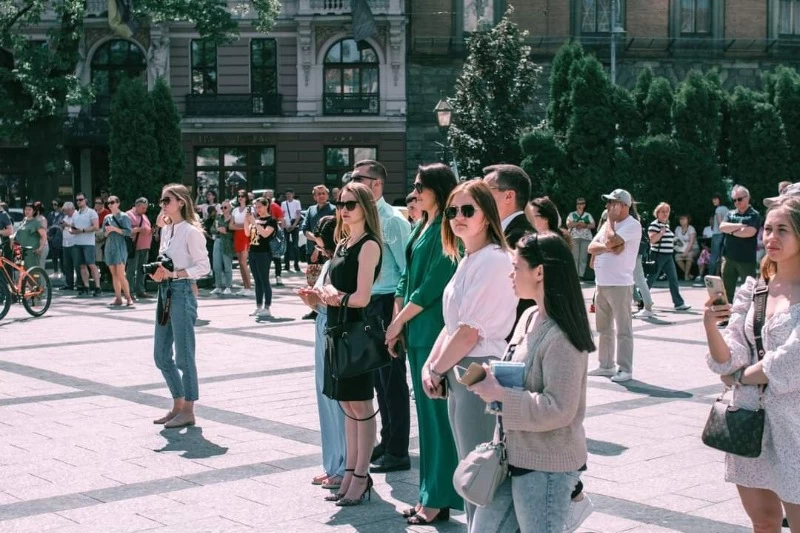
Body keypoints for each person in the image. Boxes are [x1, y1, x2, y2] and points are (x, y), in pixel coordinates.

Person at [469, 232, 595, 533]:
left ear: (539, 272)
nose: (510, 274)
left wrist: (500, 394)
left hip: (547, 466)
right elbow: (523, 376)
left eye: (516, 267)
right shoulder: (528, 316)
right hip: (511, 456)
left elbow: (560, 408)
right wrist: (494, 377)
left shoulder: (563, 336)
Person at [423, 180, 517, 528]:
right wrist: (432, 365)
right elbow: (452, 325)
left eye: (467, 210)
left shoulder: (493, 259)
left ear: (487, 215)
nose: (457, 217)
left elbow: (469, 332)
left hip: (479, 368)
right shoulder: (469, 258)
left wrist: (436, 369)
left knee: (480, 473)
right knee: (470, 468)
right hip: (461, 368)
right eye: (452, 211)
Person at [703, 195, 800, 533]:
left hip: (794, 423)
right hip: (749, 420)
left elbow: (792, 359)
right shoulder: (755, 289)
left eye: (782, 230)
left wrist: (740, 377)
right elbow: (731, 355)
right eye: (768, 229)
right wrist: (709, 326)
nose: (771, 237)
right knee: (763, 522)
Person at [385, 163, 462, 525]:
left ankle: (438, 498)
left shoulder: (448, 227)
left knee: (436, 419)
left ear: (438, 189)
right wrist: (397, 319)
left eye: (420, 187)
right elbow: (406, 278)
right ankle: (428, 495)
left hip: (432, 330)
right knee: (427, 421)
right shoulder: (422, 225)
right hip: (415, 330)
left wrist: (398, 321)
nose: (414, 193)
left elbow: (432, 285)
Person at [319, 182, 383, 507]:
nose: (343, 210)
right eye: (340, 204)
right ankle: (349, 472)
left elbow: (362, 297)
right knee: (347, 405)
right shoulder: (344, 242)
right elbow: (335, 285)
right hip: (336, 329)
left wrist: (337, 297)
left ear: (365, 207)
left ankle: (360, 475)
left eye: (350, 204)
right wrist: (326, 292)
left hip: (355, 333)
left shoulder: (369, 244)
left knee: (361, 406)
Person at [348, 160, 412, 475]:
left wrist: (397, 317)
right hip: (368, 303)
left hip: (387, 302)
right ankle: (387, 441)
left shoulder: (393, 221)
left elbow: (407, 272)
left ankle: (398, 449)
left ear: (376, 184)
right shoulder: (362, 217)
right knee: (378, 381)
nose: (351, 182)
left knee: (393, 381)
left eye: (357, 178)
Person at [150, 184, 211, 429]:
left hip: (182, 291)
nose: (162, 204)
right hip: (165, 291)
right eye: (161, 200)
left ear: (181, 202)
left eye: (167, 200)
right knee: (161, 355)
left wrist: (175, 274)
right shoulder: (167, 229)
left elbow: (204, 267)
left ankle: (188, 410)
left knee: (184, 357)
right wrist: (159, 272)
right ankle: (177, 405)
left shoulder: (191, 232)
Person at [297, 215, 346, 492]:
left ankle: (344, 465)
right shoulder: (329, 262)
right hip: (323, 325)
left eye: (321, 243)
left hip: (335, 329)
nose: (320, 249)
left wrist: (319, 301)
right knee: (325, 395)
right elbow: (322, 302)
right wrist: (312, 301)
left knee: (338, 400)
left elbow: (342, 300)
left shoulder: (343, 261)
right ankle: (332, 463)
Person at [587, 189, 642, 383]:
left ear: (624, 206)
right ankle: (606, 365)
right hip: (602, 283)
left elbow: (612, 241)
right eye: (609, 203)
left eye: (613, 203)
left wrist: (609, 223)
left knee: (623, 330)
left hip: (620, 284)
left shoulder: (632, 225)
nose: (609, 206)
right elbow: (591, 247)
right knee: (604, 328)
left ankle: (625, 368)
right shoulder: (609, 225)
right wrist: (608, 247)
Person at [482, 164, 535, 332]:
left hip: (511, 333)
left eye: (486, 191)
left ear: (509, 196)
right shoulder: (503, 233)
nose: (479, 197)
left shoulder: (522, 239)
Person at [720, 185, 762, 305]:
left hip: (746, 260)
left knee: (749, 292)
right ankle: (726, 314)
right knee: (726, 291)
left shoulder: (754, 215)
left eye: (739, 199)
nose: (736, 202)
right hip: (729, 258)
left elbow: (749, 232)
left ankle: (748, 314)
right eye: (734, 200)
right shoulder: (730, 213)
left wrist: (731, 230)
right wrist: (739, 226)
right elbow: (722, 227)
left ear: (747, 198)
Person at [646, 203, 691, 312]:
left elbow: (668, 240)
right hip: (658, 255)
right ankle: (640, 298)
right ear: (657, 213)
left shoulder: (666, 225)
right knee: (651, 279)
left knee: (673, 279)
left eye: (667, 212)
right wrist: (661, 233)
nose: (665, 214)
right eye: (663, 211)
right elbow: (652, 240)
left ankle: (679, 303)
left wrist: (676, 242)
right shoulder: (654, 225)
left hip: (668, 255)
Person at [301, 185, 337, 320]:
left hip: (327, 250)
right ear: (314, 196)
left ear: (327, 195)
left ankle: (325, 306)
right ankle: (314, 307)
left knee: (326, 279)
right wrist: (316, 239)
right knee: (312, 279)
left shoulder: (333, 209)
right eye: (318, 194)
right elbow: (305, 229)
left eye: (323, 193)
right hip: (310, 249)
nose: (321, 196)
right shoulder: (311, 209)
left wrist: (319, 246)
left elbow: (333, 231)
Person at [244, 198, 278, 319]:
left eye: (260, 207)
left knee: (264, 280)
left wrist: (254, 222)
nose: (258, 209)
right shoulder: (256, 219)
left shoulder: (271, 220)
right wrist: (246, 220)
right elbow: (247, 233)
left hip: (264, 253)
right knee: (257, 281)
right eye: (256, 207)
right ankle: (258, 306)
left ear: (266, 206)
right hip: (253, 251)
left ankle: (267, 307)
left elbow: (265, 234)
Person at [102, 195, 134, 307]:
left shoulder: (124, 216)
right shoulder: (107, 217)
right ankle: (118, 298)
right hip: (109, 246)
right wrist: (107, 231)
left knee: (121, 274)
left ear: (118, 203)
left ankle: (128, 297)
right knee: (114, 275)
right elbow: (103, 234)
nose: (110, 205)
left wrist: (114, 229)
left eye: (112, 202)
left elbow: (128, 232)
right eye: (108, 203)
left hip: (120, 246)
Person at [71, 193, 102, 297]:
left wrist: (83, 230)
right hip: (77, 242)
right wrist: (72, 231)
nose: (78, 202)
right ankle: (86, 286)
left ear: (85, 200)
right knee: (82, 266)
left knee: (92, 265)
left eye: (80, 199)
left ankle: (98, 287)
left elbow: (96, 227)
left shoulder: (91, 212)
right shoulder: (75, 214)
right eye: (77, 200)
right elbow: (72, 226)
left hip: (88, 243)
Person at [126, 198, 153, 299]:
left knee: (142, 269)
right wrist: (139, 230)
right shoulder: (128, 215)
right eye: (143, 208)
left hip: (145, 246)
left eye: (146, 208)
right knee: (131, 270)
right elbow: (126, 230)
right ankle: (129, 291)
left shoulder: (144, 216)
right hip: (135, 247)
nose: (145, 210)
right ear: (136, 206)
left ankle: (140, 291)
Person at [230, 189, 254, 297]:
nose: (240, 198)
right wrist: (242, 226)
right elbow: (231, 226)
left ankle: (249, 287)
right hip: (237, 236)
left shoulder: (249, 209)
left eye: (242, 196)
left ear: (246, 198)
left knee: (244, 262)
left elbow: (250, 224)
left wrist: (239, 226)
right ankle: (245, 287)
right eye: (239, 196)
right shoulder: (235, 210)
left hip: (246, 236)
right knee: (240, 263)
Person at [567, 197, 596, 279]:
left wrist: (585, 225)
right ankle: (575, 275)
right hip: (574, 237)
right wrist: (578, 224)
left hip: (585, 238)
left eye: (582, 203)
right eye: (578, 204)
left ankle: (581, 275)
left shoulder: (588, 215)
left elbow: (593, 225)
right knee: (575, 257)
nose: (580, 205)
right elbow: (568, 224)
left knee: (583, 258)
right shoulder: (571, 214)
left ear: (584, 205)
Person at [261, 189, 286, 286]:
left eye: (269, 197)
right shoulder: (259, 207)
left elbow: (281, 220)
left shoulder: (275, 206)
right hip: (262, 235)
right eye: (266, 197)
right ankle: (264, 277)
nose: (267, 199)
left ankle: (278, 276)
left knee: (276, 257)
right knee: (264, 258)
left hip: (273, 236)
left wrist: (280, 233)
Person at [210, 200, 234, 296]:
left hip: (228, 242)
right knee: (216, 265)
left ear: (230, 208)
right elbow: (212, 229)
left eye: (225, 207)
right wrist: (217, 230)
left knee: (227, 265)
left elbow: (234, 234)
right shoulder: (218, 218)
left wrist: (225, 232)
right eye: (222, 207)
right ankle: (218, 286)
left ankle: (228, 286)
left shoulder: (232, 219)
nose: (223, 209)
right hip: (218, 241)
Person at [14, 204, 46, 270]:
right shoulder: (23, 222)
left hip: (31, 252)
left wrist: (40, 248)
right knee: (22, 272)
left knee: (33, 272)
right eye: (26, 209)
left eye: (29, 210)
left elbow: (44, 236)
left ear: (34, 211)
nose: (27, 211)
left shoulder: (36, 223)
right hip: (20, 252)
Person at [281, 188, 303, 272]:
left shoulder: (297, 202)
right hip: (286, 224)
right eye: (287, 194)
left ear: (293, 194)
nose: (288, 196)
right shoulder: (283, 203)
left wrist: (294, 225)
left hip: (294, 225)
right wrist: (285, 225)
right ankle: (286, 265)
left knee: (295, 246)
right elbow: (282, 215)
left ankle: (296, 264)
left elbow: (298, 214)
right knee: (286, 246)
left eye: (290, 194)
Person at [709, 192, 730, 277]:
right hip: (726, 234)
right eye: (713, 199)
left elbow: (719, 223)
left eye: (715, 199)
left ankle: (710, 276)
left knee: (714, 256)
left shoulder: (718, 210)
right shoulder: (727, 209)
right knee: (722, 257)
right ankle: (720, 275)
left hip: (717, 234)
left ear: (719, 199)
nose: (713, 201)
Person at [674, 214, 699, 281]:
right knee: (677, 256)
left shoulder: (691, 228)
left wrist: (686, 251)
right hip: (681, 249)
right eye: (680, 219)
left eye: (684, 219)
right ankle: (688, 274)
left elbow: (691, 242)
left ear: (688, 220)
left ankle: (686, 276)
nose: (682, 221)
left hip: (693, 248)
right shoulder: (677, 229)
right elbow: (676, 240)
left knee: (689, 255)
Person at [46, 200, 64, 278]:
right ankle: (55, 271)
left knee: (62, 256)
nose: (54, 206)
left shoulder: (62, 215)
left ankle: (63, 271)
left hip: (60, 237)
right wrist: (48, 235)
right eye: (53, 204)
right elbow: (47, 224)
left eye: (55, 204)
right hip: (52, 237)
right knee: (54, 256)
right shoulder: (51, 214)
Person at [32, 201, 49, 270]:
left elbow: (43, 234)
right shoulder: (31, 219)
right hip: (33, 246)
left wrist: (40, 248)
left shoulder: (42, 219)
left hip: (41, 246)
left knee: (40, 267)